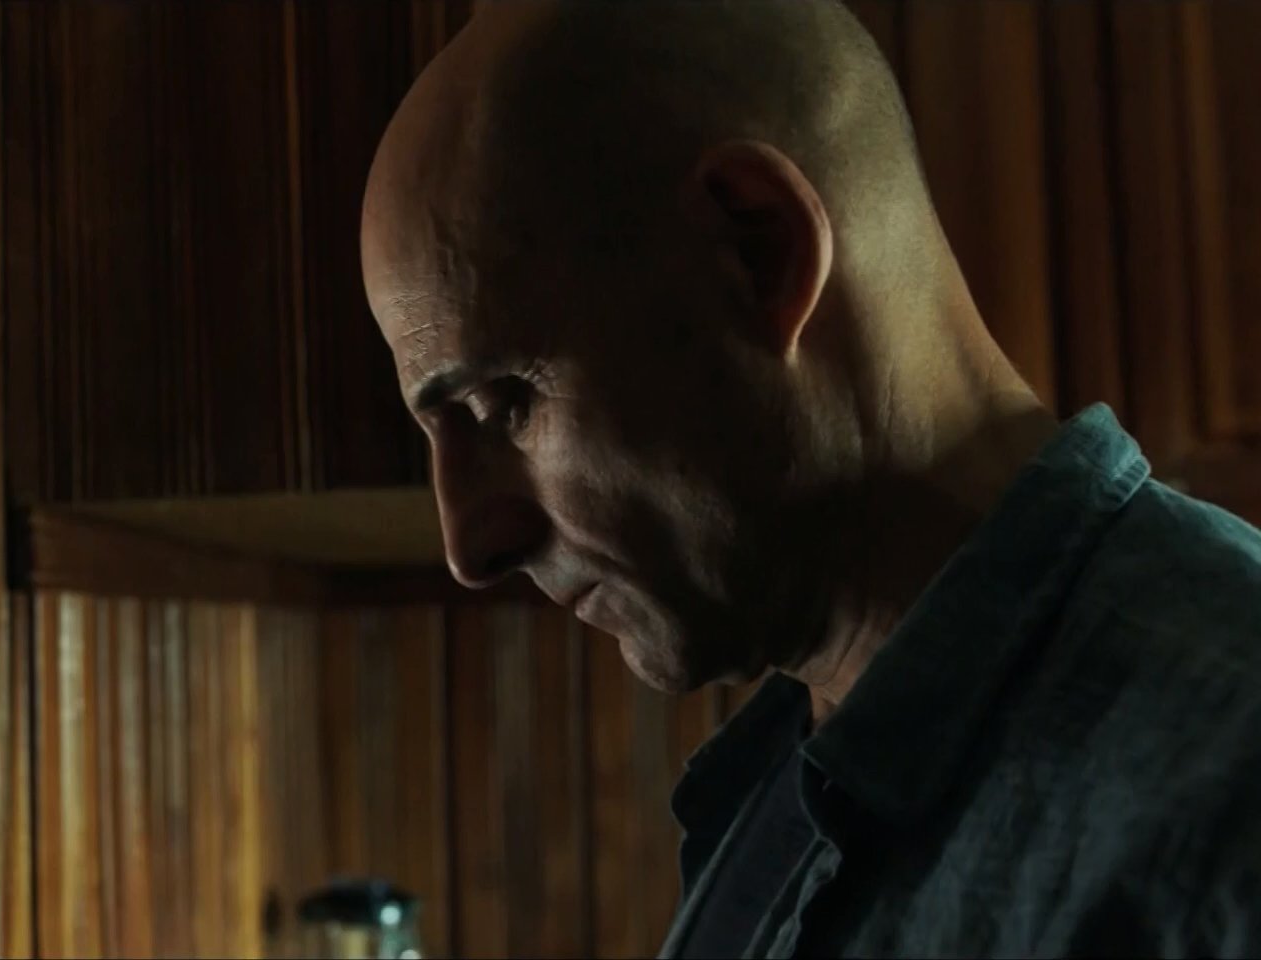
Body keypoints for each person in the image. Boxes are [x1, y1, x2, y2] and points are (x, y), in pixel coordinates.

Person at [358, 1, 1261, 956]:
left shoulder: (1230, 779)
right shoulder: (775, 803)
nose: (470, 544)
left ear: (759, 249)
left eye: (503, 404)